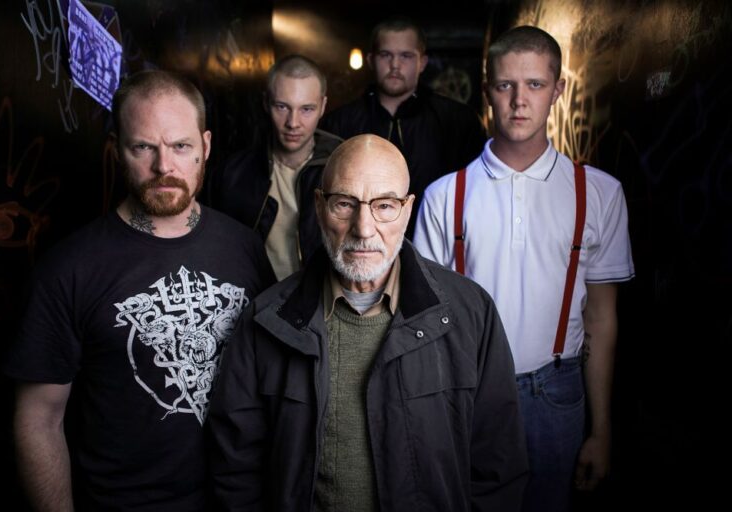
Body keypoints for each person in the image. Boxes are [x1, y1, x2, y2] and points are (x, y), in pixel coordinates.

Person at [208, 134, 528, 512]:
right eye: (345, 204)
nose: (363, 227)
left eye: (385, 206)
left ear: (408, 210)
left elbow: (499, 468)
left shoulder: (470, 315)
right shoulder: (267, 321)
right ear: (319, 207)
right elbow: (235, 471)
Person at [4, 70, 276, 511]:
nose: (164, 166)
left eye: (180, 146)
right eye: (143, 147)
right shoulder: (69, 268)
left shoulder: (244, 247)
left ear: (205, 146)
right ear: (117, 151)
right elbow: (39, 419)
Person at [414, 26, 635, 512]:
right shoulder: (444, 196)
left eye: (535, 84)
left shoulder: (597, 194)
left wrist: (602, 430)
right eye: (506, 85)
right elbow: (423, 327)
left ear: (558, 90)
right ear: (488, 87)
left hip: (557, 393)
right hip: (468, 391)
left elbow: (601, 319)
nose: (519, 100)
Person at [320, 17, 485, 236]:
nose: (395, 65)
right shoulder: (339, 122)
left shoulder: (458, 120)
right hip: (361, 241)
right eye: (385, 55)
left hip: (437, 248)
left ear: (422, 62)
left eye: (406, 56)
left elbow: (477, 195)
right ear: (371, 60)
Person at [202, 54, 342, 280]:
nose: (293, 122)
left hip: (322, 303)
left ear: (323, 106)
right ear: (266, 102)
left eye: (306, 109)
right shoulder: (232, 175)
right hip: (255, 301)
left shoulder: (344, 169)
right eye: (282, 107)